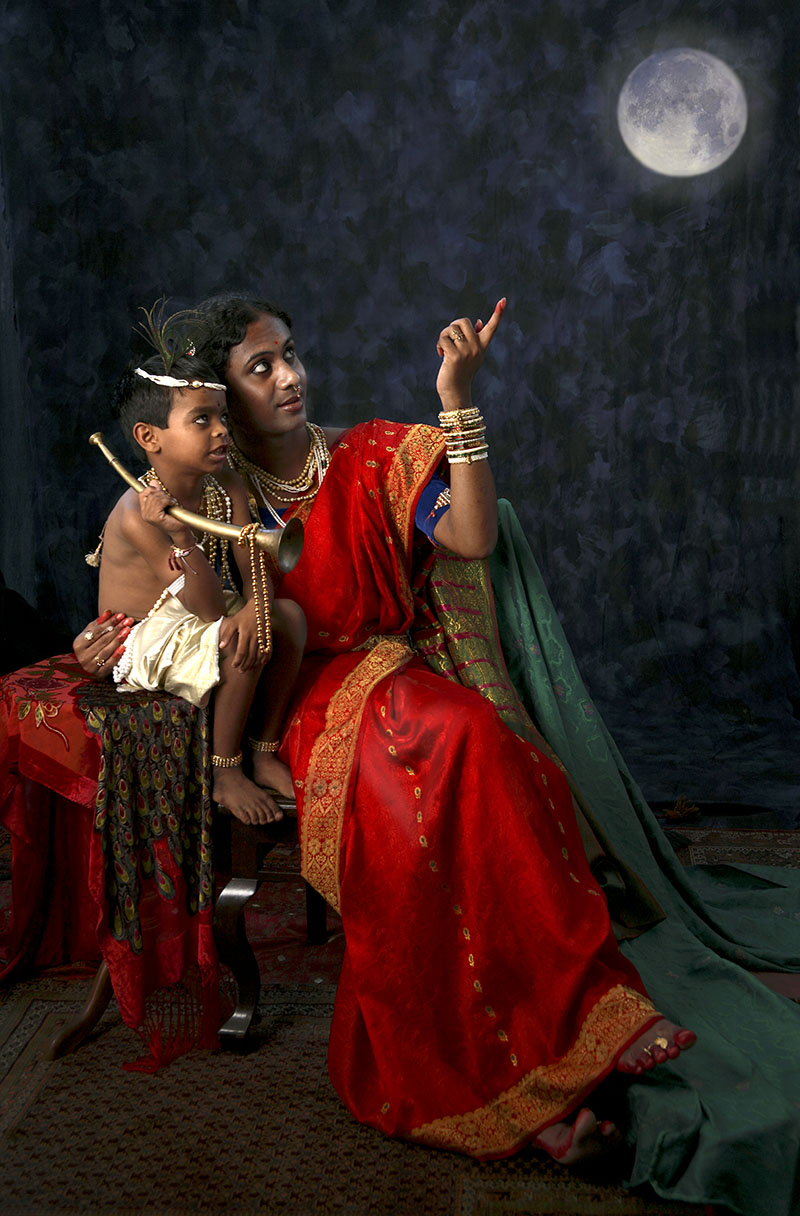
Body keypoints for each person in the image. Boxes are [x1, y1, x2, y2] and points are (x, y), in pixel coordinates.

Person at [75, 296, 800, 1214]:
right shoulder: (204, 491)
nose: (290, 377)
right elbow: (159, 608)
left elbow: (471, 537)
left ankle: (574, 1031)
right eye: (259, 370)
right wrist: (111, 639)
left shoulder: (374, 451)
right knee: (426, 776)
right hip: (290, 705)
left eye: (290, 356)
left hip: (394, 675)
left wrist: (456, 400)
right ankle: (504, 1080)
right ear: (213, 400)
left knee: (487, 752)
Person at [90, 338, 305, 827]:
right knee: (231, 638)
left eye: (223, 417)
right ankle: (224, 770)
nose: (221, 432)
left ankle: (263, 750)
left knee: (286, 618)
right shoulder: (137, 513)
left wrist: (258, 606)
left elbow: (250, 556)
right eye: (202, 421)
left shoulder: (226, 482)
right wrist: (180, 533)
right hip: (144, 636)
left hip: (193, 610)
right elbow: (208, 611)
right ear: (150, 437)